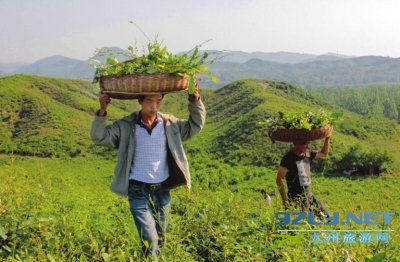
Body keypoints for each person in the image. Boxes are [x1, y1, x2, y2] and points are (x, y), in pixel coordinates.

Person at [90, 88, 205, 257]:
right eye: (150, 101)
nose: (154, 106)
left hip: (162, 190)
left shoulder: (170, 124)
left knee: (160, 237)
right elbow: (98, 136)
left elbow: (195, 126)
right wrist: (102, 110)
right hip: (138, 190)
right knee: (149, 238)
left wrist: (195, 102)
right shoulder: (127, 126)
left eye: (158, 101)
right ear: (140, 101)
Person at [276, 136, 331, 216]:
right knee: (305, 223)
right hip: (297, 199)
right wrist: (285, 200)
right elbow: (279, 179)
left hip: (310, 196)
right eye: (304, 144)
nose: (307, 146)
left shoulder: (307, 154)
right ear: (295, 143)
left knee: (327, 217)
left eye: (308, 143)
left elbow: (324, 153)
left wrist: (327, 139)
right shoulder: (288, 158)